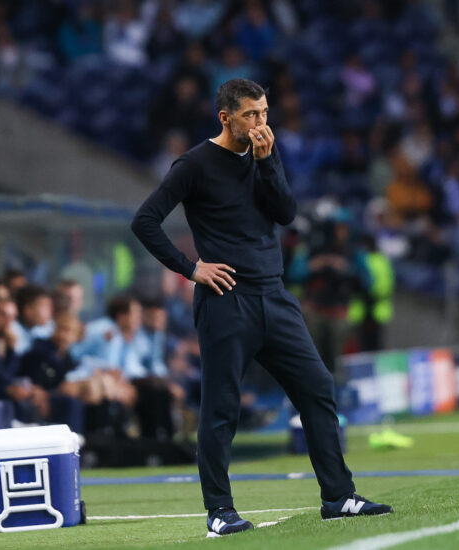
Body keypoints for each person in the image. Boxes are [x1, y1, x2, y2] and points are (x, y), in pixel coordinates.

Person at [131, 78, 392, 537]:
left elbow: (286, 213)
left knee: (317, 386)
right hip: (226, 299)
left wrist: (268, 162)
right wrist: (191, 268)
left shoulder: (264, 155)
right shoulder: (194, 164)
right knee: (221, 407)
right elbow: (145, 220)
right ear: (225, 117)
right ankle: (219, 511)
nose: (260, 122)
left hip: (274, 293)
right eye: (250, 114)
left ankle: (338, 497)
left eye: (265, 112)